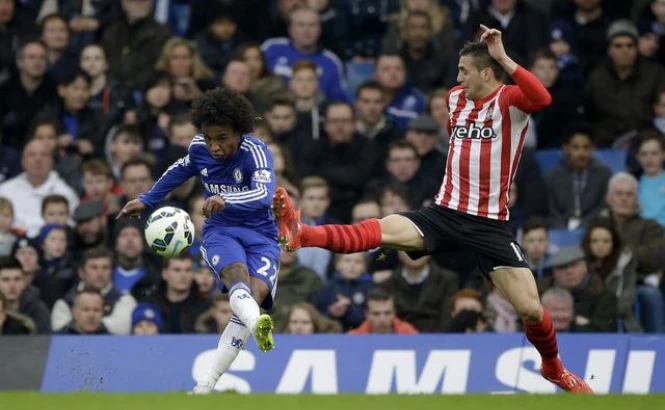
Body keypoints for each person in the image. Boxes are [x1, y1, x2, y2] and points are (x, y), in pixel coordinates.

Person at [273, 26, 593, 393]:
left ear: (487, 73)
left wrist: (503, 56)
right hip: (445, 213)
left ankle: (553, 368)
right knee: (380, 229)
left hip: (489, 225)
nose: (458, 79)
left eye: (464, 71)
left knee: (532, 310)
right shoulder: (455, 99)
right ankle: (303, 234)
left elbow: (543, 98)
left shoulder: (510, 100)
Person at [117, 86, 277, 394]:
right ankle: (256, 325)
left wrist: (226, 200)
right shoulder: (199, 148)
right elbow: (181, 169)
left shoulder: (256, 151)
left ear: (239, 132)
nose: (214, 146)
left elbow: (263, 195)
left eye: (222, 138)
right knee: (236, 277)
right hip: (221, 230)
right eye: (209, 137)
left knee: (252, 298)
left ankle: (206, 384)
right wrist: (147, 199)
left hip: (261, 235)